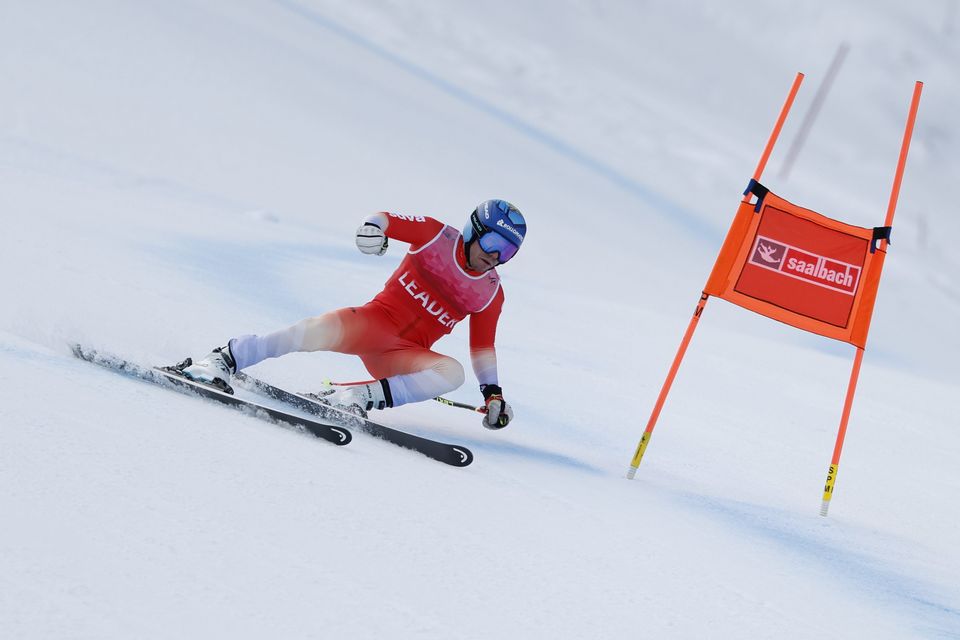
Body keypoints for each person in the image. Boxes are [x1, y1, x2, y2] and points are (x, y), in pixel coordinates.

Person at [179, 199, 526, 429]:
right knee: (309, 332)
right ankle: (221, 359)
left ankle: (356, 397)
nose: (496, 257)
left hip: (401, 357)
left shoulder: (490, 292)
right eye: (495, 244)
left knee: (452, 373)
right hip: (370, 325)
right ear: (473, 232)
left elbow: (483, 347)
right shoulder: (435, 236)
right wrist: (372, 230)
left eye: (508, 252)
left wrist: (492, 394)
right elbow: (383, 219)